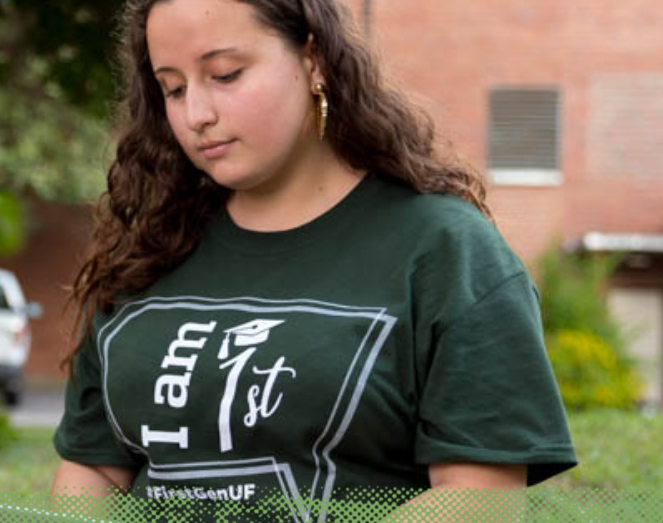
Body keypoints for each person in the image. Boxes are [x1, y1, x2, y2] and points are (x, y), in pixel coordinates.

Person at [47, 0, 578, 520]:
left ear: (314, 59)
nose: (196, 115)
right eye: (173, 88)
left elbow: (481, 496)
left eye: (226, 75)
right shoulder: (148, 252)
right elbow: (92, 471)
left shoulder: (444, 250)